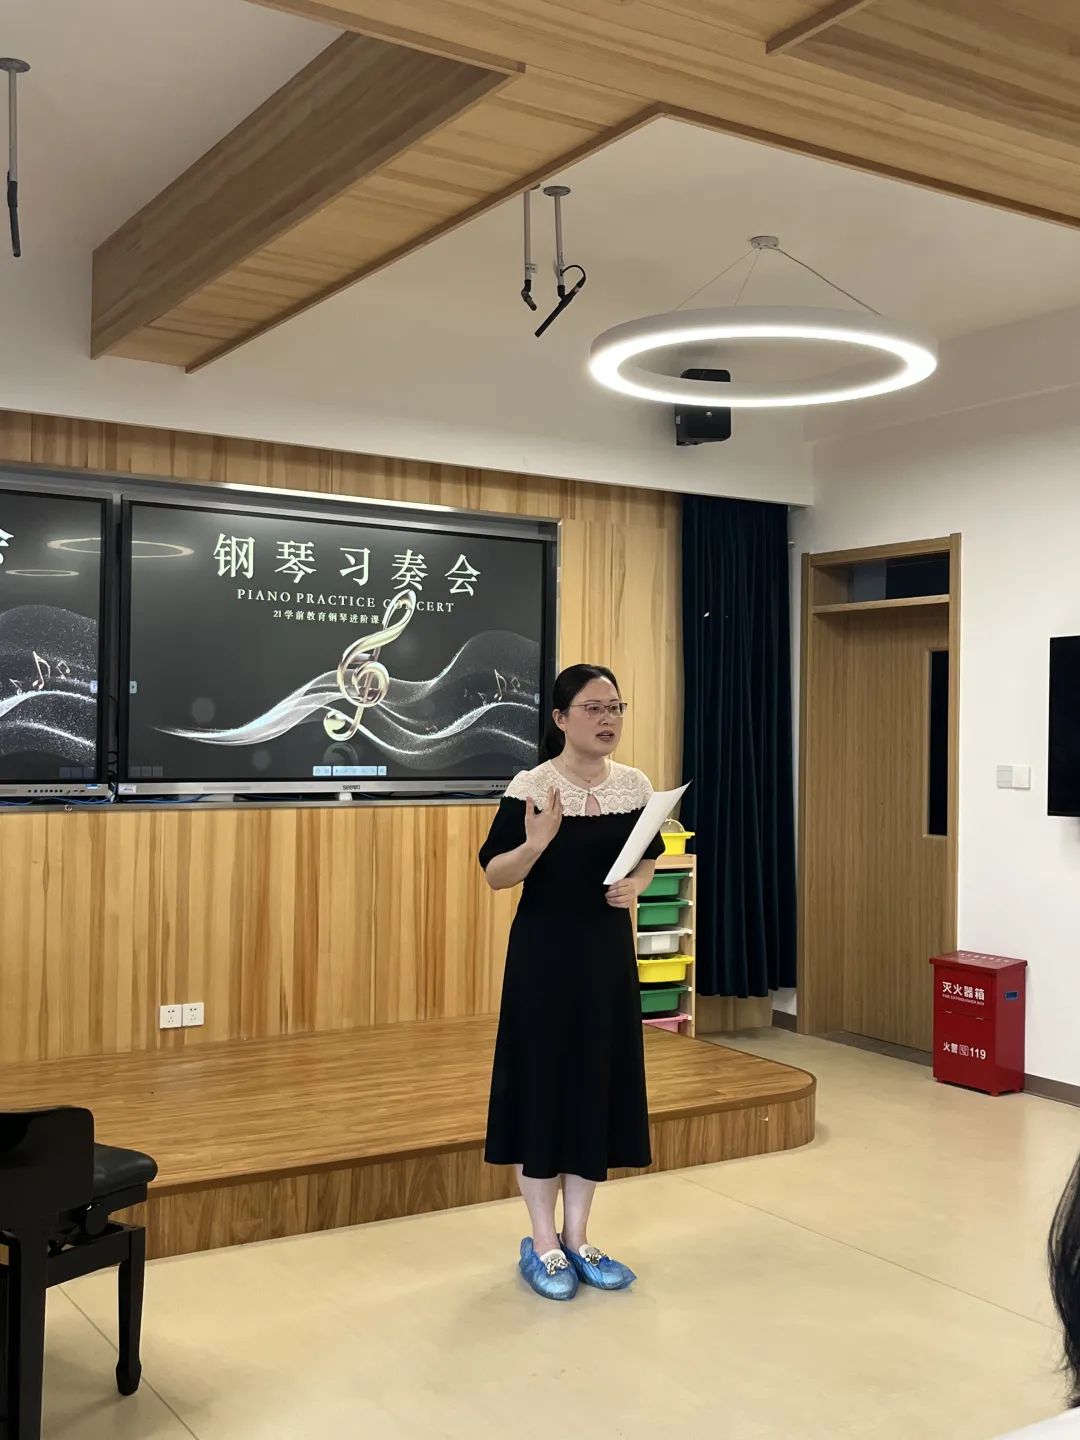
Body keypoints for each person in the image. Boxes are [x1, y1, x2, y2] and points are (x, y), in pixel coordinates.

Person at [479, 663, 665, 1301]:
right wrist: (536, 843)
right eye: (593, 708)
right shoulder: (532, 786)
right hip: (543, 958)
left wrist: (635, 886)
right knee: (543, 1087)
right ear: (560, 719)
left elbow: (648, 861)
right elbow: (495, 875)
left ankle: (579, 1237)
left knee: (594, 1085)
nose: (608, 719)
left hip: (606, 957)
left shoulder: (635, 786)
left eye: (616, 707)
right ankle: (542, 1241)